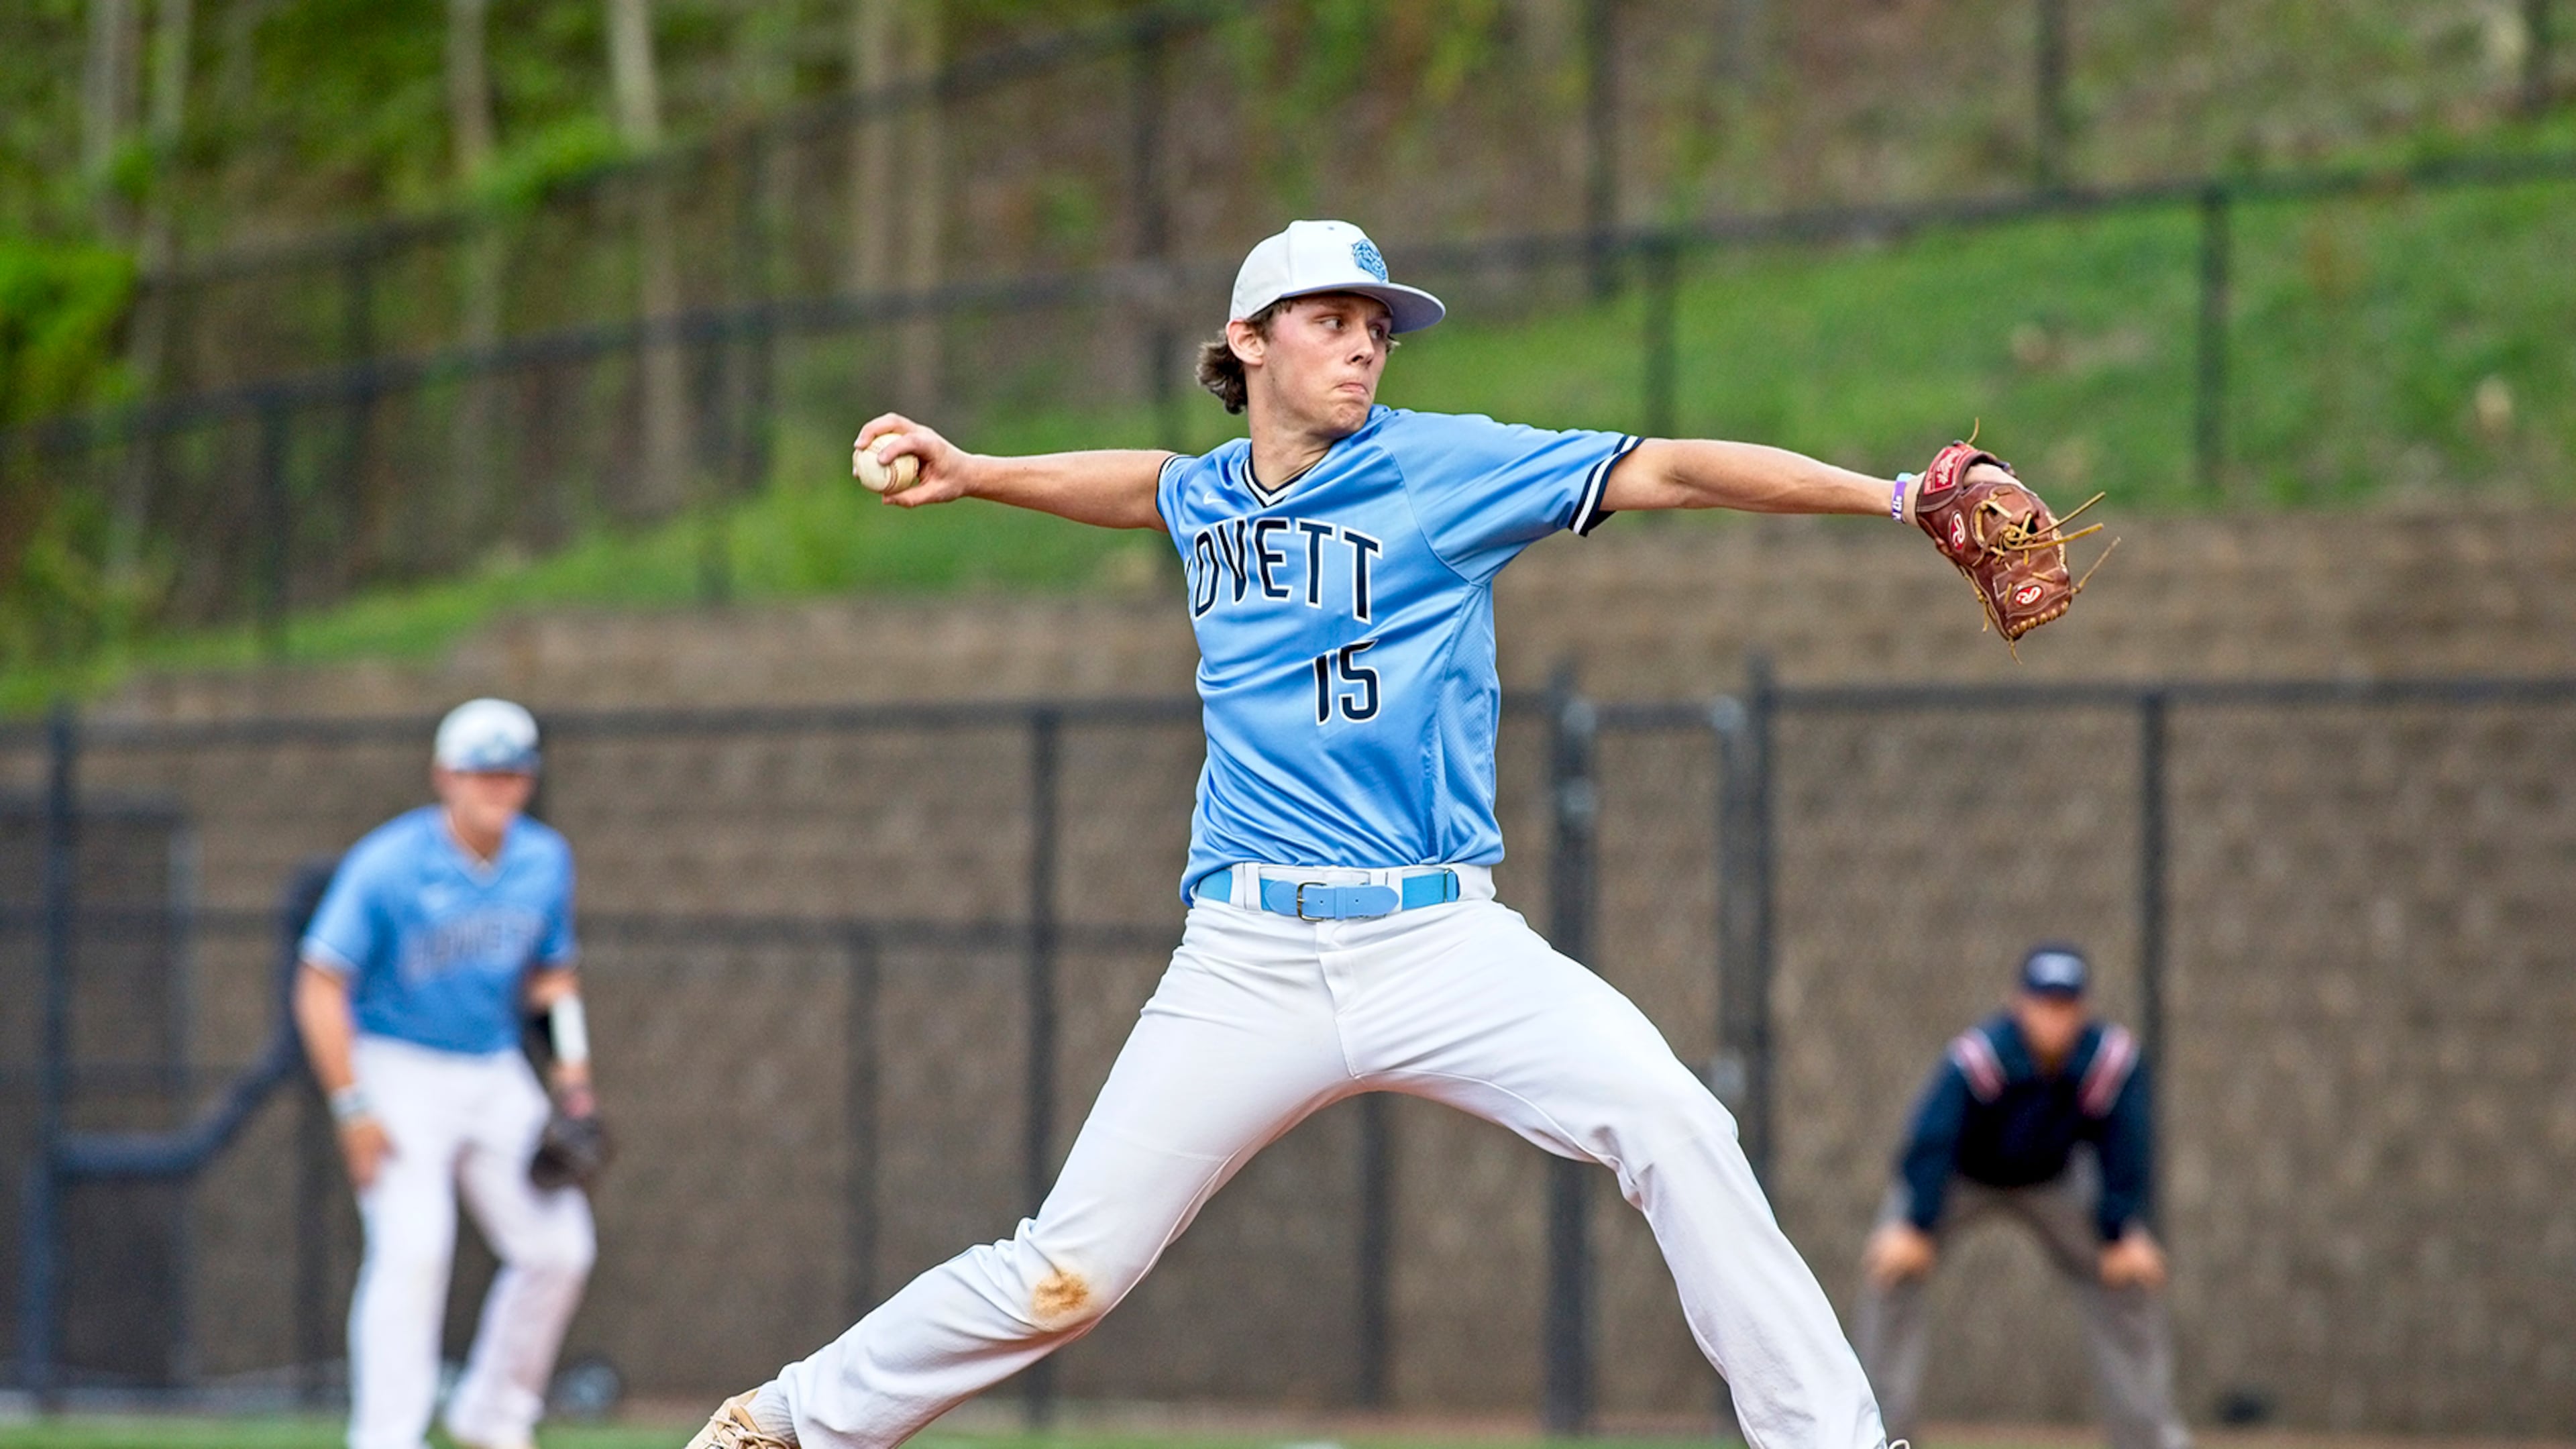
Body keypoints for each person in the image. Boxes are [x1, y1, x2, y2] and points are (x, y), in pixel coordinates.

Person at [688, 218, 2057, 1449]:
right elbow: (1148, 485)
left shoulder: (1445, 468)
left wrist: (1890, 495)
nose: (1365, 347)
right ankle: (788, 1426)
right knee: (1068, 1272)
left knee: (1676, 1126)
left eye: (1377, 326)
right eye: (1333, 321)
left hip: (1439, 940)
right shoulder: (1211, 493)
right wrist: (976, 472)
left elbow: (1671, 469)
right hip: (1245, 958)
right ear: (1248, 341)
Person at [294, 698, 599, 1449]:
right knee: (413, 1246)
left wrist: (573, 1076)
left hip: (492, 1065)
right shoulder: (390, 864)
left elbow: (550, 978)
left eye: (513, 774)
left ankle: (493, 1416)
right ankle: (387, 1436)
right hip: (397, 1064)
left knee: (560, 1248)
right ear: (445, 776)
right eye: (482, 773)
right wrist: (352, 1107)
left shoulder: (543, 859)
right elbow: (320, 984)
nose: (498, 789)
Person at [1853, 945, 2188, 1449]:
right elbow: (1932, 1136)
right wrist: (1916, 1225)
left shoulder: (2108, 1059)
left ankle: (2149, 1440)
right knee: (1892, 1264)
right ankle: (1872, 1438)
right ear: (2017, 1003)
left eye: (2066, 1006)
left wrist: (2121, 1230)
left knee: (2128, 1276)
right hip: (1959, 1178)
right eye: (2043, 1003)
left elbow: (2127, 1144)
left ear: (2084, 1009)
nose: (2054, 1019)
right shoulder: (1982, 1054)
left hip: (2055, 1182)